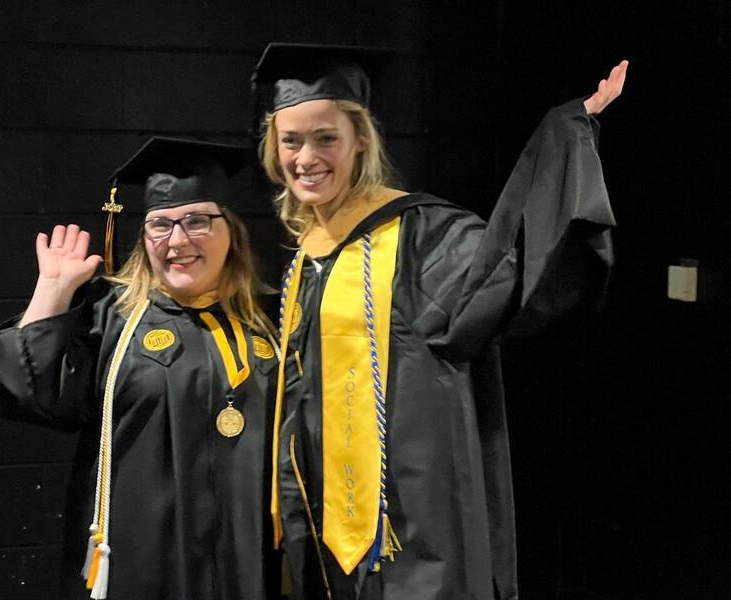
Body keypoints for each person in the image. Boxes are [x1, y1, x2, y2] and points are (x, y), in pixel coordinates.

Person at [253, 43, 628, 600]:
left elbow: (511, 267)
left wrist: (566, 138)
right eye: (291, 140)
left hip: (410, 521)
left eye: (326, 137)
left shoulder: (422, 236)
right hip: (322, 517)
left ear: (361, 141)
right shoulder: (307, 254)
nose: (306, 157)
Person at [0, 137, 280, 600]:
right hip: (143, 558)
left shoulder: (274, 320)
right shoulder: (111, 316)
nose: (177, 241)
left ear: (231, 231)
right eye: (160, 225)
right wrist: (51, 294)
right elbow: (33, 399)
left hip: (248, 554)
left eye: (197, 221)